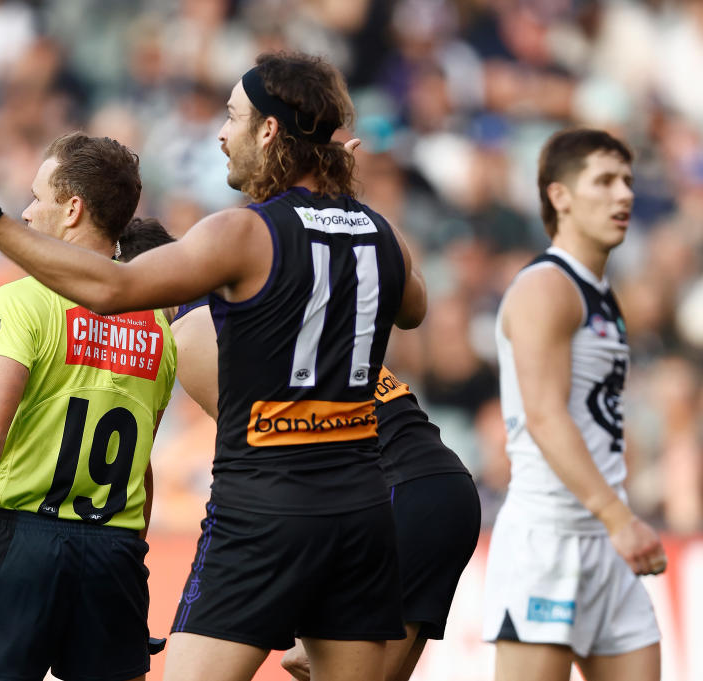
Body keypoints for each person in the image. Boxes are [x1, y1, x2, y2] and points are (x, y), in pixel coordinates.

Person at [0, 51, 427, 681]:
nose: (220, 132)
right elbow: (414, 309)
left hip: (263, 508)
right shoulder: (380, 234)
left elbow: (107, 289)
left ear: (269, 131)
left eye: (233, 116)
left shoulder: (241, 234)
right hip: (358, 508)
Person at [0, 132, 177, 681]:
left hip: (20, 542)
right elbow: (142, 469)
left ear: (73, 208)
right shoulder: (159, 328)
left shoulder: (23, 299)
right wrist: (129, 559)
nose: (26, 212)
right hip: (116, 550)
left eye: (37, 197)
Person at [165, 291, 480, 681]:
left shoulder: (194, 326)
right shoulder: (290, 305)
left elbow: (269, 462)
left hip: (394, 491)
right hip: (439, 485)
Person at [483, 128, 666, 681]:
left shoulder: (603, 294)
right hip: (550, 540)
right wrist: (619, 517)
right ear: (559, 196)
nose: (625, 195)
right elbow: (543, 414)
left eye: (629, 182)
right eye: (605, 181)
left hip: (605, 541)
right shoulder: (546, 287)